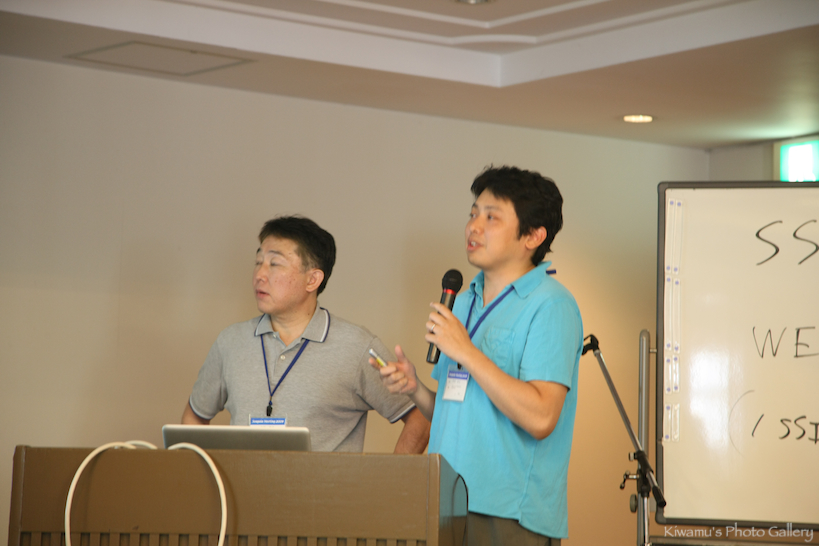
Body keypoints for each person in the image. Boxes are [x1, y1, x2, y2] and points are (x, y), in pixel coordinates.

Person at [373, 166, 583, 544]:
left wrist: (467, 352)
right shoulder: (464, 299)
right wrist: (414, 388)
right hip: (443, 500)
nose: (473, 226)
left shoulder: (551, 305)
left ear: (533, 236)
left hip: (506, 512)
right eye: (473, 214)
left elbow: (541, 417)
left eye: (491, 217)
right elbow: (454, 408)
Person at [183, 215, 429, 453]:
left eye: (274, 264)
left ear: (312, 280)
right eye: (258, 262)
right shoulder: (230, 342)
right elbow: (194, 417)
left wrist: (391, 478)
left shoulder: (356, 347)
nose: (259, 275)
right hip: (241, 484)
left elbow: (421, 417)